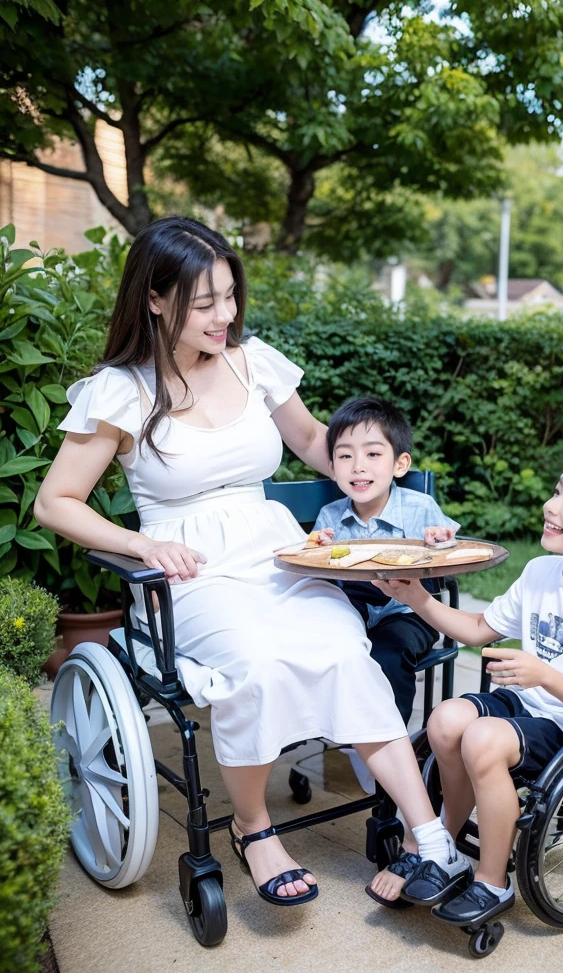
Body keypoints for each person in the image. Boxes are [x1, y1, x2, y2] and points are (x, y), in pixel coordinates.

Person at [34, 216, 470, 910]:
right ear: (155, 298)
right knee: (256, 667)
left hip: (276, 551)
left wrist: (405, 499)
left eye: (230, 296)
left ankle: (430, 838)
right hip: (190, 567)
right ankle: (253, 825)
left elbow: (313, 441)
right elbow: (56, 503)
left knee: (341, 650)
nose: (225, 315)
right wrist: (143, 545)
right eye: (204, 302)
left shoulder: (251, 359)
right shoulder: (121, 390)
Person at [366, 437, 563, 923]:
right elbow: (481, 629)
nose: (552, 505)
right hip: (529, 706)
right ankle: (443, 847)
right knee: (444, 720)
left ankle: (492, 881)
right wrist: (418, 597)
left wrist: (544, 674)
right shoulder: (541, 571)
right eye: (556, 491)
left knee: (482, 739)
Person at [312, 397, 459, 727]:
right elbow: (314, 569)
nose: (358, 466)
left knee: (389, 655)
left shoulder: (419, 507)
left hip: (410, 611)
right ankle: (342, 732)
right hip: (352, 609)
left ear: (400, 464)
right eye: (345, 455)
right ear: (332, 467)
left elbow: (451, 550)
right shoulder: (330, 516)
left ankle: (389, 739)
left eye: (373, 454)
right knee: (330, 649)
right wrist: (318, 548)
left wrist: (440, 541)